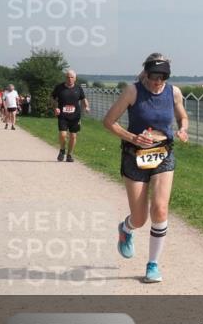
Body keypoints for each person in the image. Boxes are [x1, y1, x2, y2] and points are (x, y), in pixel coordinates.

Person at [102, 54, 189, 283]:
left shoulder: (174, 92)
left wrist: (183, 129)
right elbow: (109, 121)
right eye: (154, 76)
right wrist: (133, 137)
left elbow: (183, 117)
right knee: (140, 218)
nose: (158, 81)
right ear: (146, 73)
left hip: (163, 155)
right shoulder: (133, 91)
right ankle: (126, 228)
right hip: (135, 156)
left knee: (160, 209)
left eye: (163, 77)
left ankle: (153, 265)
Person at [51, 70, 90, 162]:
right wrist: (55, 108)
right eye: (68, 77)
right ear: (65, 78)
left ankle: (70, 154)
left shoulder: (78, 88)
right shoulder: (59, 87)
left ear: (75, 79)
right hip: (63, 115)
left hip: (75, 116)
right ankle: (62, 150)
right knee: (63, 135)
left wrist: (87, 106)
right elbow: (52, 98)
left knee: (73, 136)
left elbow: (83, 99)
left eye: (72, 77)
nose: (70, 79)